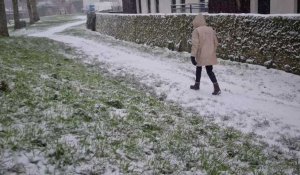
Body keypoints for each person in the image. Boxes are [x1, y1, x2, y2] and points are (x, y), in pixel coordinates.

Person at [190, 14, 221, 95]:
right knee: (209, 70)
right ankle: (216, 87)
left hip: (201, 53)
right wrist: (211, 50)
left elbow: (195, 44)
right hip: (210, 53)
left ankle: (197, 85)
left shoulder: (196, 31)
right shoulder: (210, 29)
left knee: (198, 68)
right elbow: (216, 43)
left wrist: (192, 56)